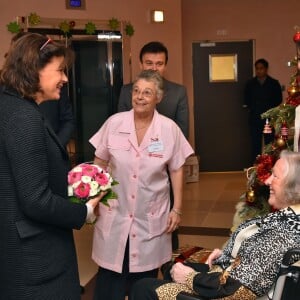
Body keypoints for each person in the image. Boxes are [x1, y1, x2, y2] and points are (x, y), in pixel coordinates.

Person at [0, 33, 105, 299]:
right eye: (60, 70)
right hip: (36, 263)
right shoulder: (24, 117)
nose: (66, 78)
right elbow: (35, 200)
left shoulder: (10, 105)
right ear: (34, 68)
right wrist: (84, 212)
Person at [130, 150, 300, 300]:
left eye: (275, 176)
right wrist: (229, 253)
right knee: (171, 268)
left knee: (143, 287)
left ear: (293, 186)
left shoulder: (282, 233)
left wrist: (190, 278)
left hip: (228, 289)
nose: (268, 180)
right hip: (233, 273)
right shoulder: (290, 221)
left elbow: (236, 291)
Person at [89, 69, 194, 300]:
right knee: (109, 278)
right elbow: (99, 162)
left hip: (150, 216)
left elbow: (176, 169)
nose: (140, 97)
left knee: (143, 282)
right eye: (136, 91)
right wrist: (93, 200)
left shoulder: (169, 129)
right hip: (115, 212)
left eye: (147, 92)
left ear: (159, 97)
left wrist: (177, 208)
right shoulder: (114, 123)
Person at [118, 41, 189, 251]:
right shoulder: (128, 91)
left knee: (167, 219)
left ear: (166, 65)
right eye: (149, 63)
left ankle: (168, 262)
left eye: (159, 63)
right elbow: (121, 129)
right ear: (140, 64)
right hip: (131, 168)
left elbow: (183, 134)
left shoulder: (178, 92)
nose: (154, 68)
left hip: (165, 167)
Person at [244, 58, 283, 162]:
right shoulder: (250, 84)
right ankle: (255, 167)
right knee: (255, 144)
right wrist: (253, 108)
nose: (259, 71)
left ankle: (270, 166)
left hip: (269, 119)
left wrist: (269, 108)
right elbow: (246, 100)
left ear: (266, 69)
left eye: (261, 68)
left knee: (269, 144)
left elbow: (278, 99)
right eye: (257, 69)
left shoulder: (274, 83)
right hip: (255, 118)